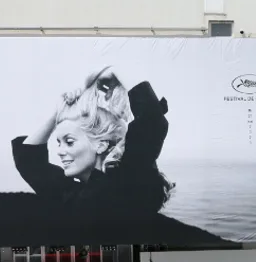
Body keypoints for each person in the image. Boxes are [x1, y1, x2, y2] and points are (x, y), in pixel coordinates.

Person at [13, 66, 175, 217]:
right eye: (59, 143)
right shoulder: (74, 194)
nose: (60, 151)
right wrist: (58, 111)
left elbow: (152, 121)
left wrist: (115, 70)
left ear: (101, 145)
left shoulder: (126, 183)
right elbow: (29, 162)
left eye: (69, 142)